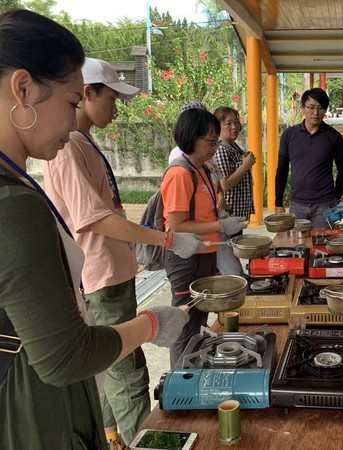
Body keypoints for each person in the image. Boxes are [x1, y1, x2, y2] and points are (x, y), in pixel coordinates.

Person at [0, 10, 189, 449]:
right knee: (126, 381)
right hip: (37, 418)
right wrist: (151, 324)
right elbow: (67, 356)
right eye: (70, 102)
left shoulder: (19, 181)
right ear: (23, 89)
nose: (73, 120)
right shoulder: (14, 205)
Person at [41, 57, 205, 447]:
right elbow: (95, 218)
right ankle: (140, 440)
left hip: (116, 270)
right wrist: (166, 239)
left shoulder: (84, 141)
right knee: (129, 372)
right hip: (101, 275)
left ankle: (113, 436)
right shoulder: (67, 148)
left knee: (114, 367)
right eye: (111, 99)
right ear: (86, 94)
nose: (116, 109)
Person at [162, 108, 247, 367]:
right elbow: (176, 225)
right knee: (184, 318)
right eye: (209, 140)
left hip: (204, 252)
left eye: (215, 140)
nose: (214, 146)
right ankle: (181, 374)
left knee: (199, 319)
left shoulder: (201, 169)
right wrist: (219, 223)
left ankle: (194, 366)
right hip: (185, 256)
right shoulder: (180, 173)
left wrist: (219, 214)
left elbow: (201, 209)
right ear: (191, 137)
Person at [275, 88, 343, 228]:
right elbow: (282, 169)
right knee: (298, 246)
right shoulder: (289, 135)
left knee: (322, 244)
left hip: (324, 204)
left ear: (325, 110)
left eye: (320, 108)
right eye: (311, 107)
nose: (315, 113)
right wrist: (278, 203)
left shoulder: (334, 137)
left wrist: (337, 196)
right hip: (297, 204)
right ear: (303, 108)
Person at [213, 106, 255, 276]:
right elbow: (224, 185)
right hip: (230, 214)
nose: (234, 127)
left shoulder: (233, 146)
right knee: (228, 255)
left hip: (238, 213)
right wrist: (245, 166)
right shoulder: (221, 149)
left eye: (236, 122)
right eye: (228, 123)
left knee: (234, 250)